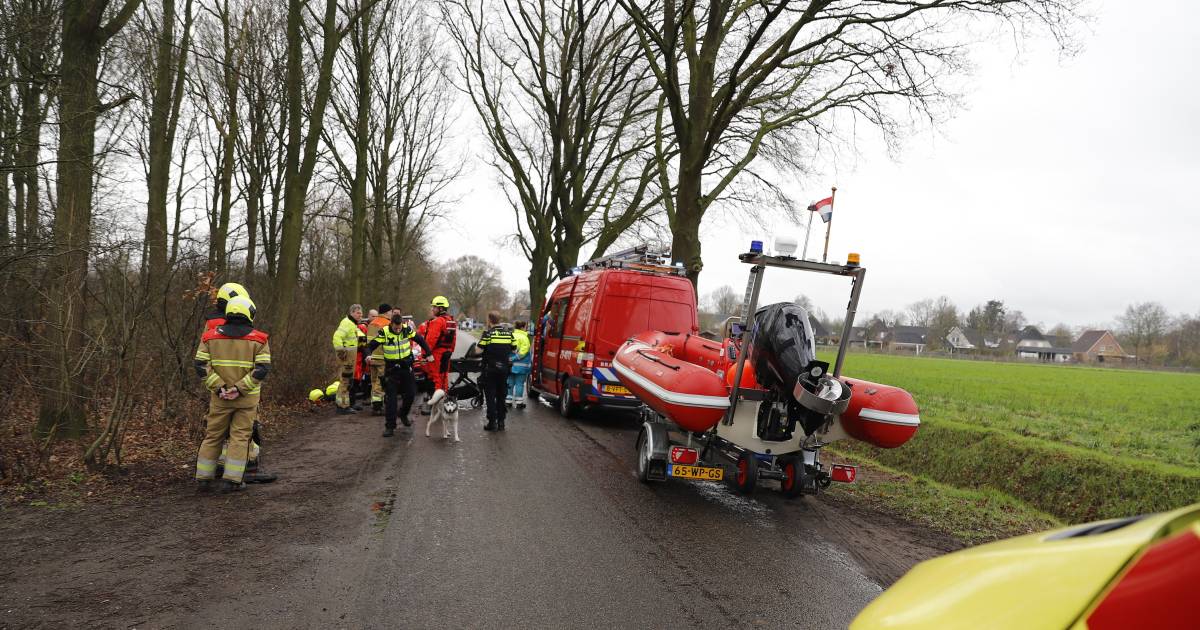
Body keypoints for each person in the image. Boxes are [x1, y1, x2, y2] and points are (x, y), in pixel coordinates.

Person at [193, 296, 271, 493]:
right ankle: (232, 481)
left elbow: (200, 365)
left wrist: (220, 387)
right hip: (246, 399)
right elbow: (261, 369)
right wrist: (239, 388)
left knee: (213, 436)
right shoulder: (259, 339)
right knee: (240, 437)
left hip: (220, 399)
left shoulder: (209, 337)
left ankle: (203, 478)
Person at [368, 314, 433, 437]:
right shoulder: (384, 332)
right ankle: (390, 427)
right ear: (391, 324)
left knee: (411, 394)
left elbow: (420, 339)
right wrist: (368, 354)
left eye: (399, 328)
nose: (398, 330)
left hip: (406, 367)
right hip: (391, 369)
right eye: (396, 328)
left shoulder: (406, 329)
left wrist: (428, 353)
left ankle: (403, 414)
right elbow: (371, 345)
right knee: (391, 399)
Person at [475, 311, 516, 431]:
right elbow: (514, 350)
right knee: (501, 395)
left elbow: (478, 351)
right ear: (499, 320)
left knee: (490, 396)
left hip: (490, 370)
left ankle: (492, 422)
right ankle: (501, 422)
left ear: (489, 320)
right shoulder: (509, 334)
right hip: (504, 370)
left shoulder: (488, 334)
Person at [418, 296, 457, 396]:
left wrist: (424, 355)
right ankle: (444, 398)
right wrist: (450, 351)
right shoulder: (451, 321)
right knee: (444, 376)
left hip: (436, 355)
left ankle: (435, 402)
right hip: (447, 353)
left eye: (434, 307)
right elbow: (453, 340)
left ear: (440, 308)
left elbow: (429, 341)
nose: (432, 309)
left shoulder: (438, 321)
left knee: (435, 378)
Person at [332, 303, 366, 414]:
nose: (360, 315)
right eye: (357, 313)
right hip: (347, 356)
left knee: (347, 381)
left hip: (351, 356)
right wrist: (341, 352)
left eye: (361, 313)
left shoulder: (352, 324)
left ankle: (344, 405)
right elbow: (337, 337)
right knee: (345, 381)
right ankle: (342, 407)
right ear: (352, 313)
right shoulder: (347, 323)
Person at [365, 304, 394, 415]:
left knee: (374, 382)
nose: (391, 314)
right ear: (387, 312)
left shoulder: (371, 323)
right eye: (391, 312)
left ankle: (376, 404)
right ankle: (377, 407)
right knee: (380, 383)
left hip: (372, 357)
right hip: (382, 358)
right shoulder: (388, 324)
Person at [507, 320, 531, 408]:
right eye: (526, 327)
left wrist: (510, 359)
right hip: (521, 366)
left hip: (509, 365)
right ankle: (519, 403)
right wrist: (515, 358)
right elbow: (523, 352)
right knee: (519, 384)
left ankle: (508, 401)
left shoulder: (511, 336)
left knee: (509, 382)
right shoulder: (525, 338)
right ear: (522, 327)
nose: (527, 329)